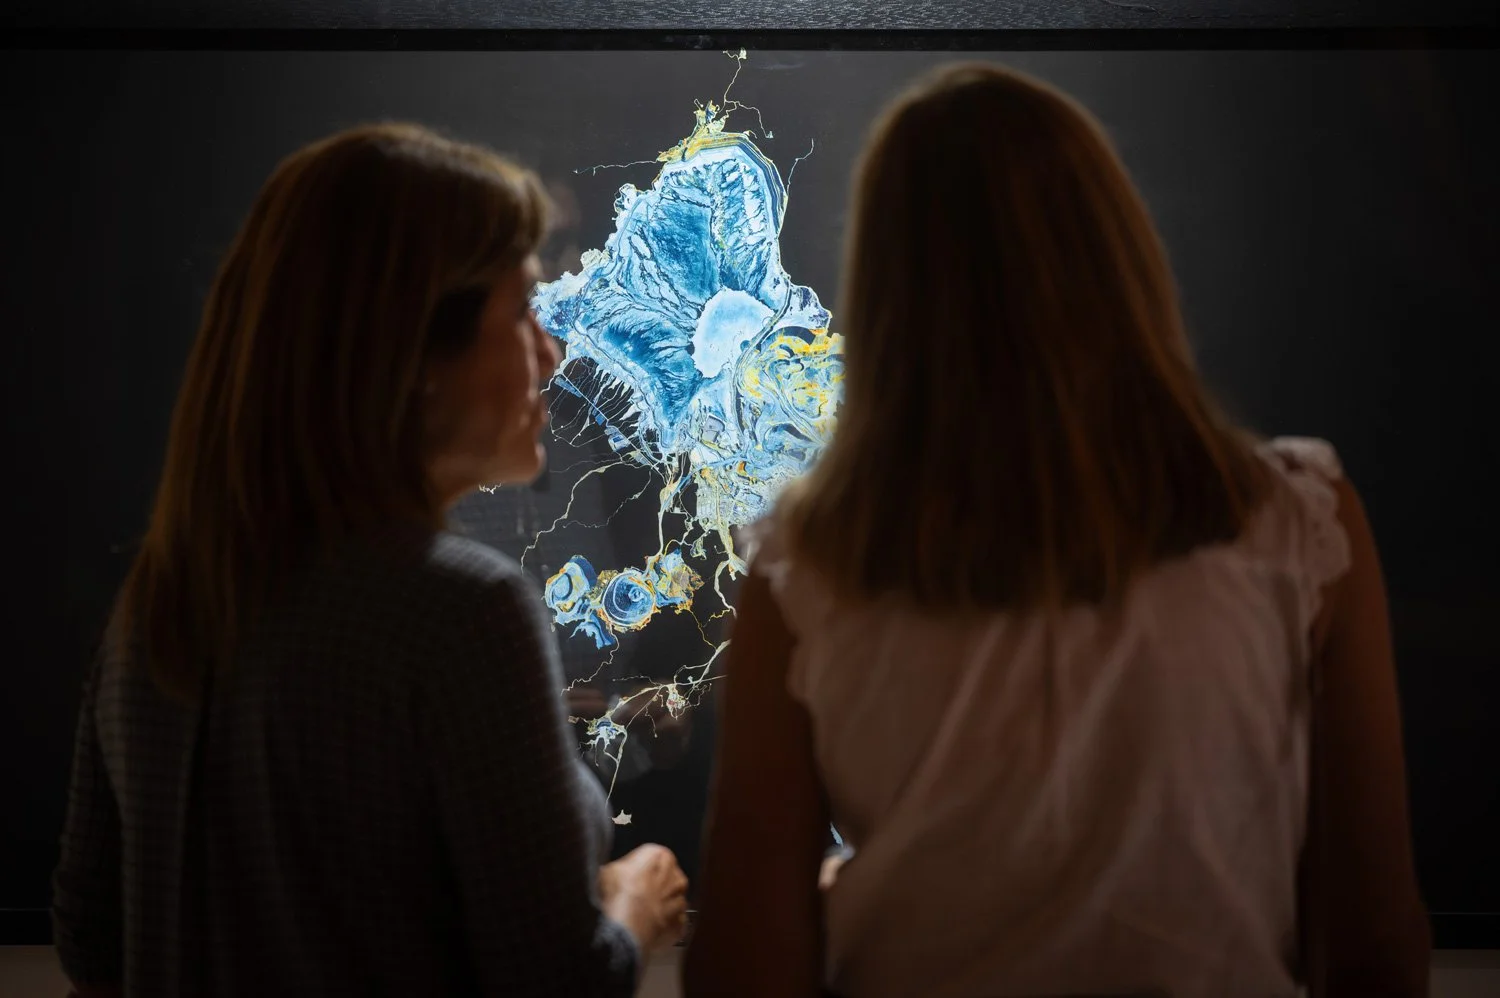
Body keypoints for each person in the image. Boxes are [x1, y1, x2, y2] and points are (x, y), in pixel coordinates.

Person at [683, 64, 1430, 998]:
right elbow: (1375, 949)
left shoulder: (805, 568)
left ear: (887, 293)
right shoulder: (1303, 525)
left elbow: (747, 970)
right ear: (1123, 255)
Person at [52, 123, 687, 998]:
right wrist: (634, 901)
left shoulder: (158, 602)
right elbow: (560, 982)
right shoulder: (464, 609)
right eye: (519, 312)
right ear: (414, 353)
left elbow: (93, 941)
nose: (550, 350)